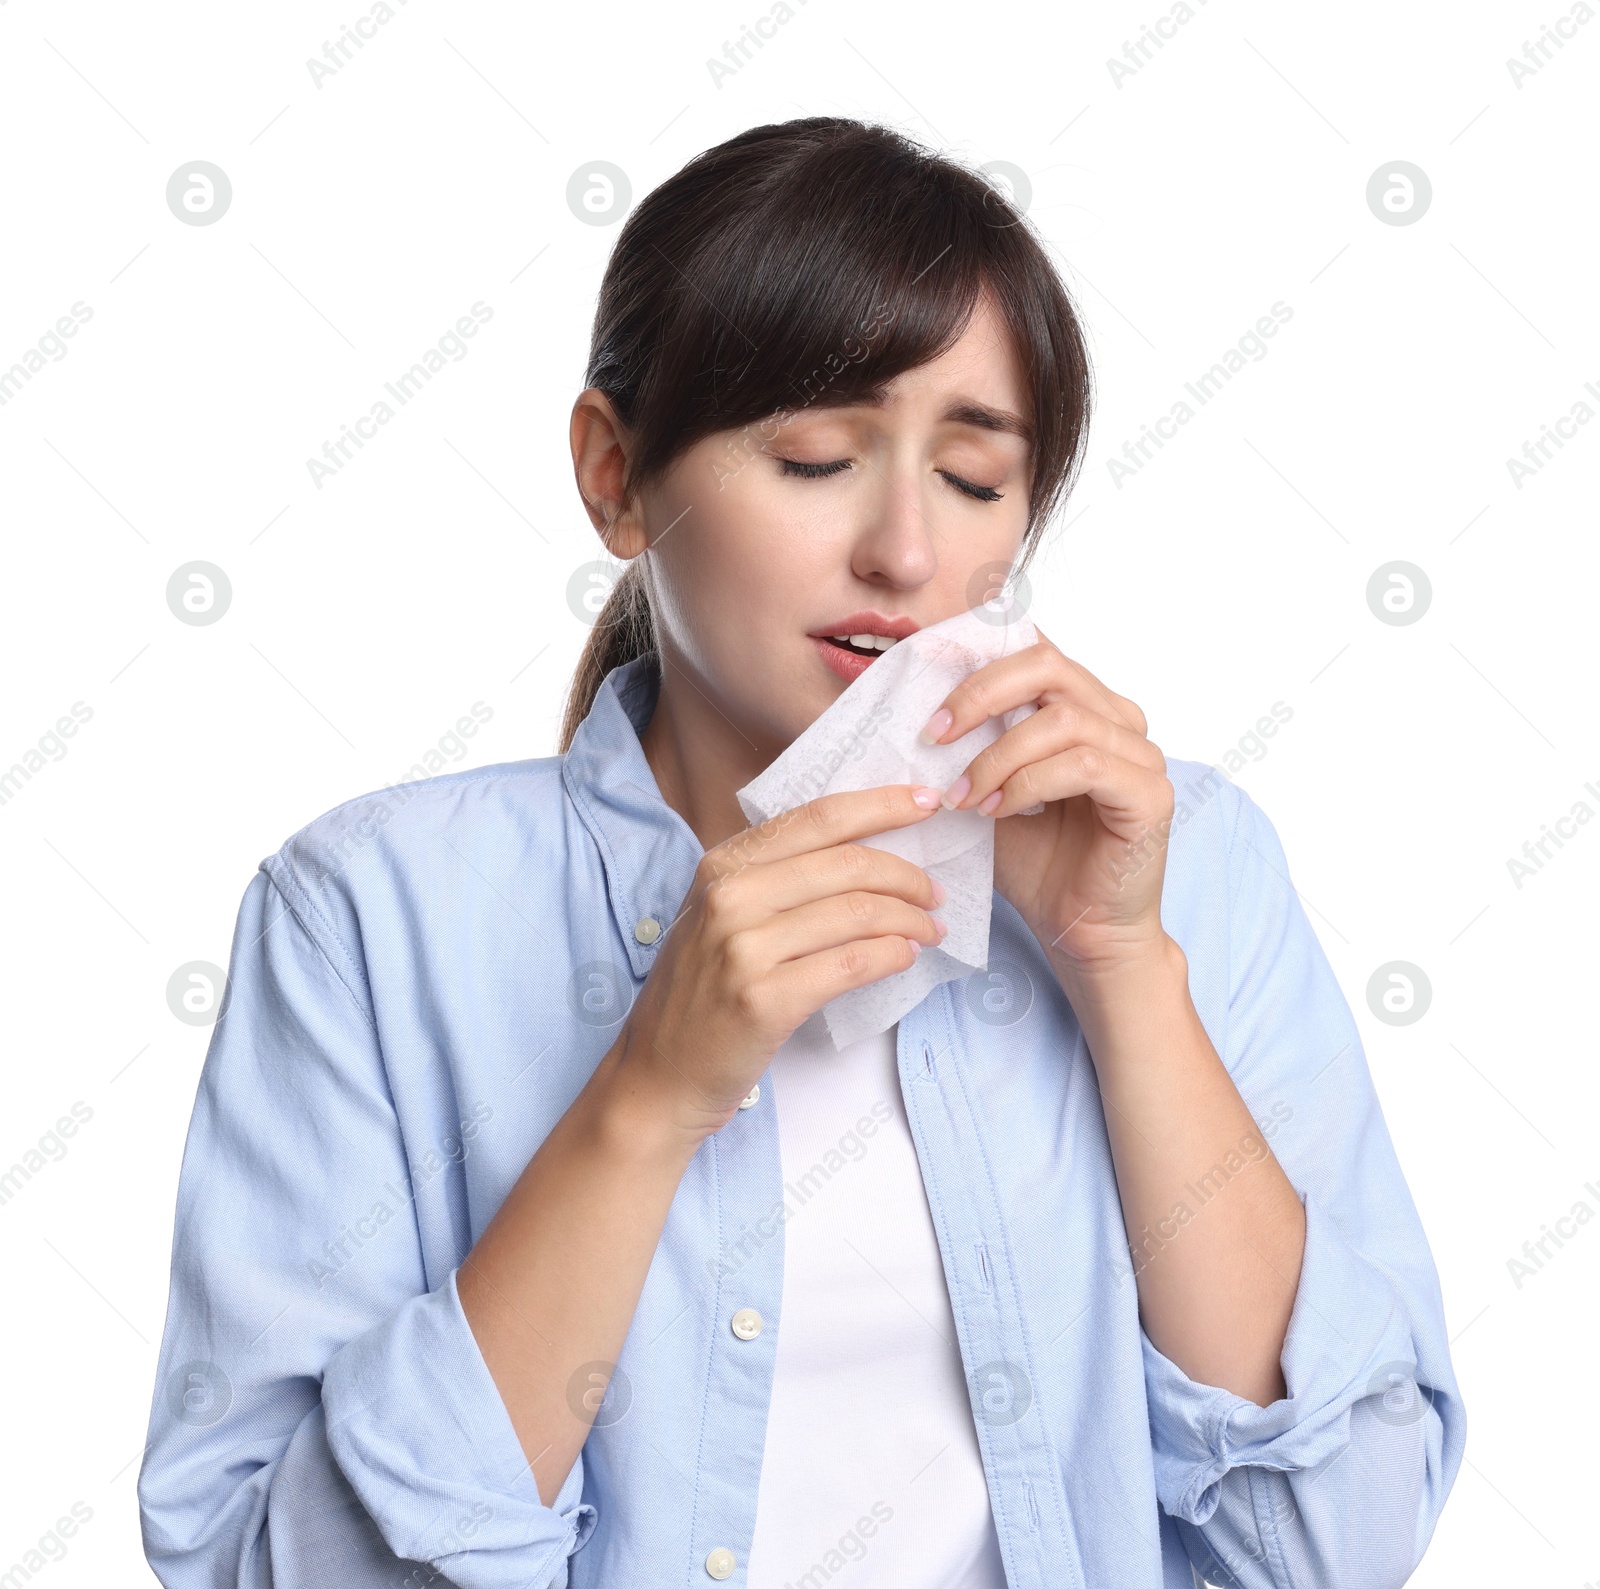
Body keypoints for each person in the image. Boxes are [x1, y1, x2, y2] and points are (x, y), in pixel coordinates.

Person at [138, 116, 1464, 1589]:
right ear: (617, 475)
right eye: (818, 455)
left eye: (974, 480)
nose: (904, 551)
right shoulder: (372, 916)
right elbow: (263, 1569)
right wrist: (646, 1098)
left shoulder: (1185, 860)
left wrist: (1125, 969)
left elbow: (1337, 1540)